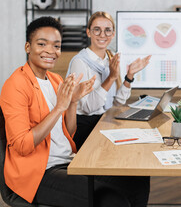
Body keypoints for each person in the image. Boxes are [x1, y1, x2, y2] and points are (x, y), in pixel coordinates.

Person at [0, 16, 150, 207]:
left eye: (56, 46)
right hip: (39, 172)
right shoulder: (15, 85)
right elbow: (22, 146)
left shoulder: (55, 80)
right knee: (112, 200)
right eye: (42, 44)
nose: (50, 51)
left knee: (135, 179)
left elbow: (68, 133)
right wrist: (59, 107)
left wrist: (72, 102)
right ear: (27, 47)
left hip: (69, 161)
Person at [67, 11, 151, 150]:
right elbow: (89, 107)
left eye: (107, 30)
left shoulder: (109, 58)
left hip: (105, 121)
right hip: (85, 127)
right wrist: (111, 77)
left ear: (113, 34)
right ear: (89, 32)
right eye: (97, 30)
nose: (102, 35)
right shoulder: (80, 62)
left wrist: (129, 76)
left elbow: (117, 102)